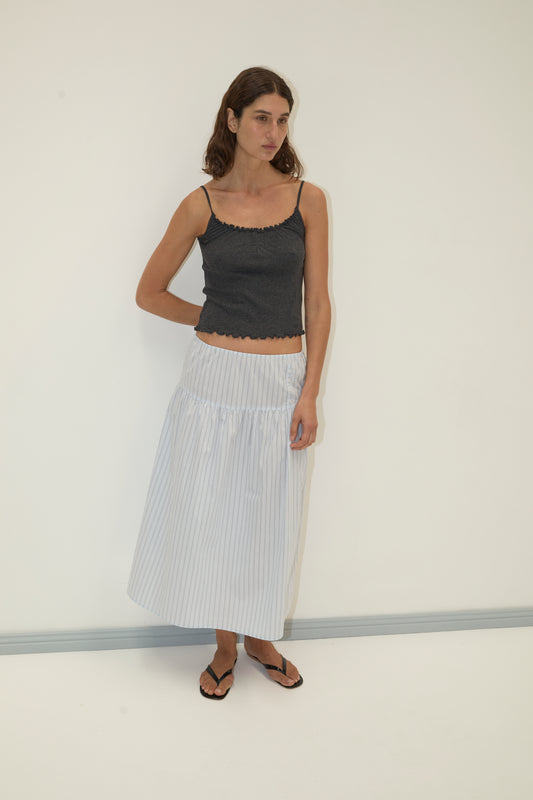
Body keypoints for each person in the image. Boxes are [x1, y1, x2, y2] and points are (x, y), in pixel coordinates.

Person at [126, 66, 331, 699]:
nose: (274, 131)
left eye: (282, 118)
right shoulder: (201, 205)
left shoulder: (307, 198)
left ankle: (260, 636)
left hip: (280, 381)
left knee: (270, 514)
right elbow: (149, 293)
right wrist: (211, 316)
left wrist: (310, 392)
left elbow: (318, 304)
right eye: (262, 117)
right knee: (214, 511)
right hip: (212, 380)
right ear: (233, 121)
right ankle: (223, 644)